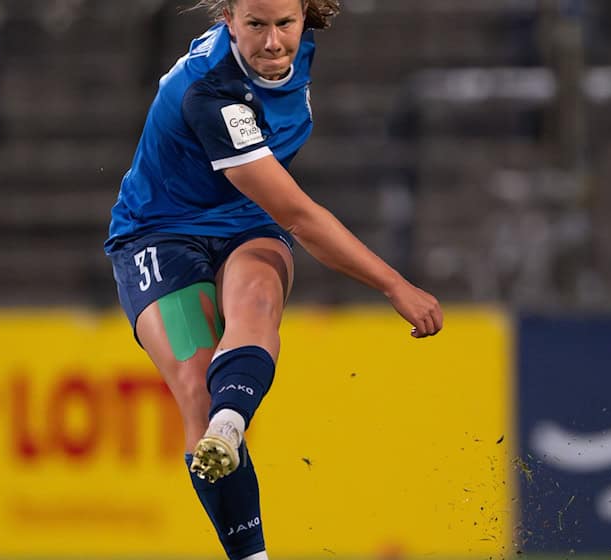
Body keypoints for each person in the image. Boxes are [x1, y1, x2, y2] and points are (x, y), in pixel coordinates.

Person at [104, 1, 443, 559]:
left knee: (256, 304)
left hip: (245, 219)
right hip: (159, 233)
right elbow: (300, 217)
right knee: (196, 389)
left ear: (305, 15)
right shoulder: (211, 92)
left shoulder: (295, 44)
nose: (272, 43)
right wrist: (394, 285)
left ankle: (230, 421)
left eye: (284, 24)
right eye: (255, 25)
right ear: (228, 19)